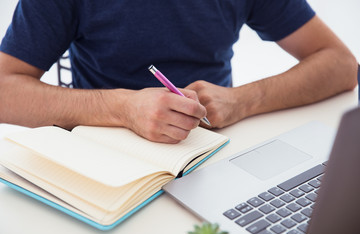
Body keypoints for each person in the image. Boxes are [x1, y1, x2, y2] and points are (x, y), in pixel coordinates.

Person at [0, 0, 358, 144]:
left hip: (210, 147)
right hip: (103, 153)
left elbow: (341, 65)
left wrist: (242, 100)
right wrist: (122, 108)